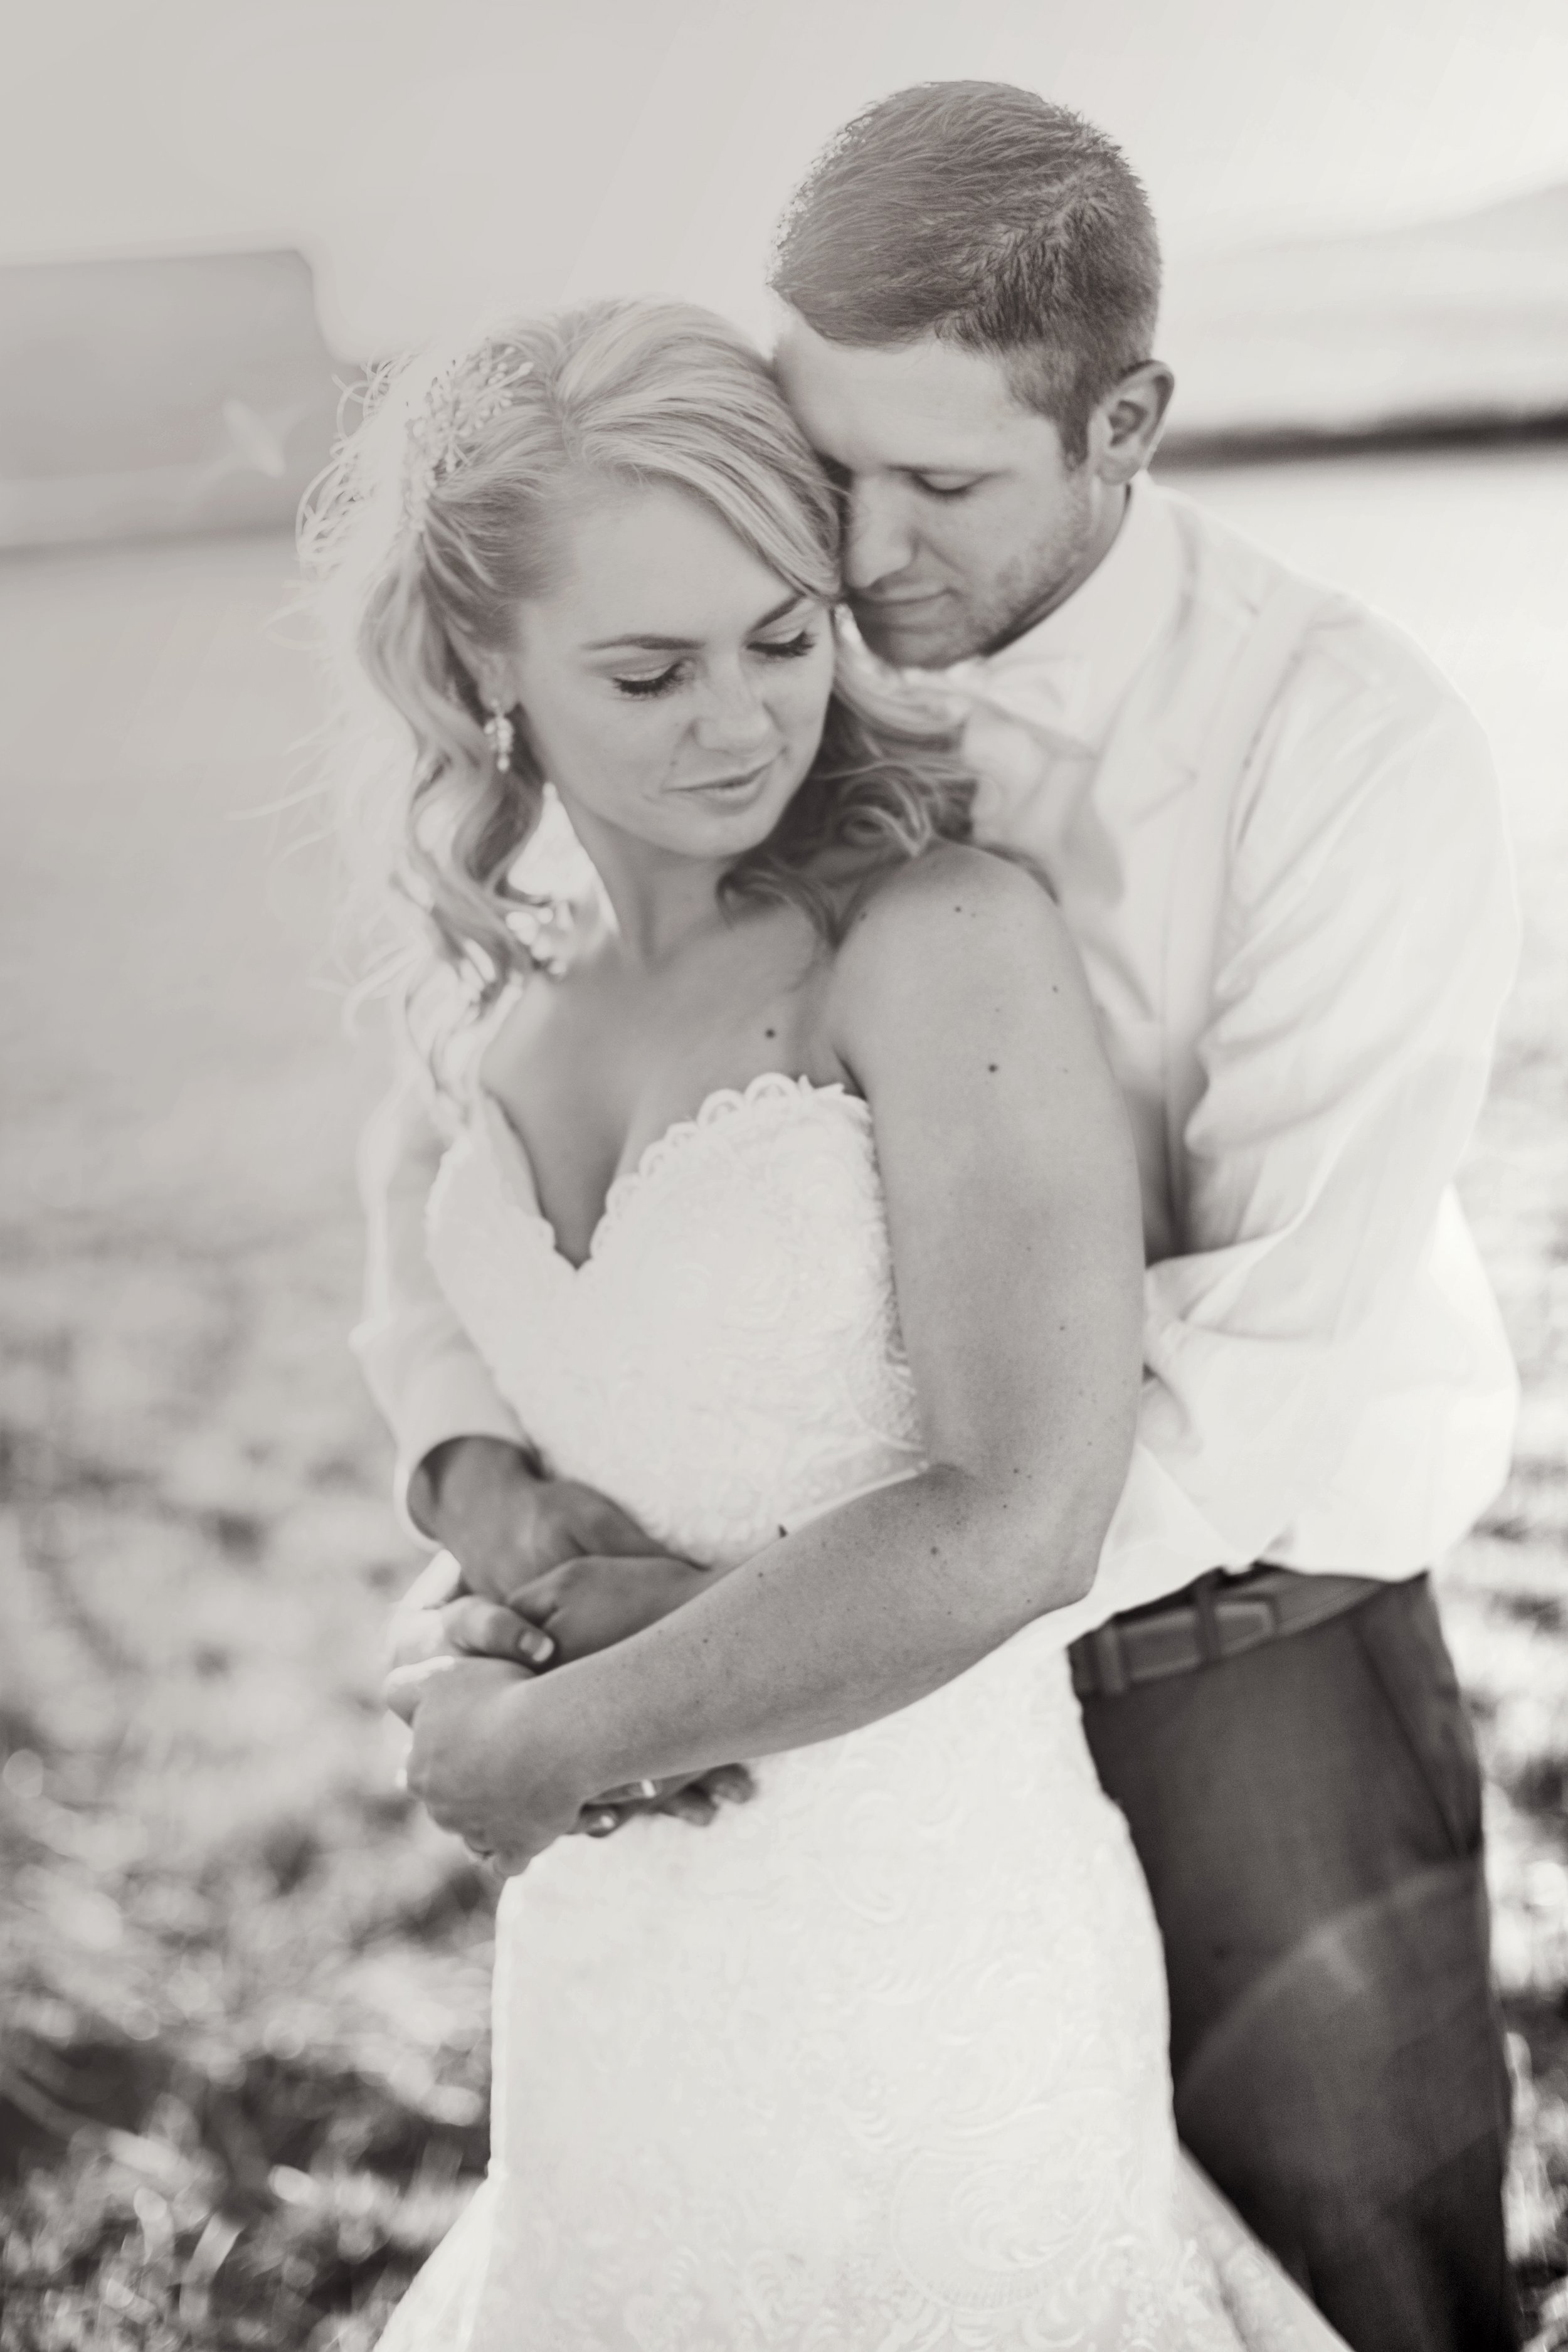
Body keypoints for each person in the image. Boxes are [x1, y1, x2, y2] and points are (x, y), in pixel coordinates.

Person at [364, 87, 1521, 2352]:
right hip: (721, 1728)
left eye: (943, 488)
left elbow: (1235, 1368)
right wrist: (501, 1518)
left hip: (1240, 1625)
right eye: (830, 473)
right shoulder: (724, 689)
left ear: (1127, 426)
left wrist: (761, 1637)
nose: (866, 558)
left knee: (1360, 2225)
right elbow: (450, 1253)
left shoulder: (1344, 752)